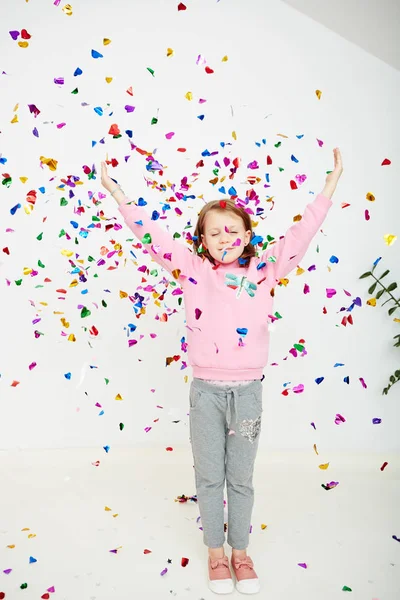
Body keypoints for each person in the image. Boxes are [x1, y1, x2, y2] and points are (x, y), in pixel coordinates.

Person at [100, 149, 343, 595]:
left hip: (247, 392)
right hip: (205, 393)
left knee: (241, 479)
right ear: (203, 241)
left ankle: (240, 552)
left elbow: (300, 235)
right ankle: (215, 554)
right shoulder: (190, 268)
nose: (224, 237)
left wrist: (328, 188)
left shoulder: (266, 270)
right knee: (210, 477)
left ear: (248, 234)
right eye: (214, 232)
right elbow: (152, 236)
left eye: (232, 229)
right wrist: (117, 193)